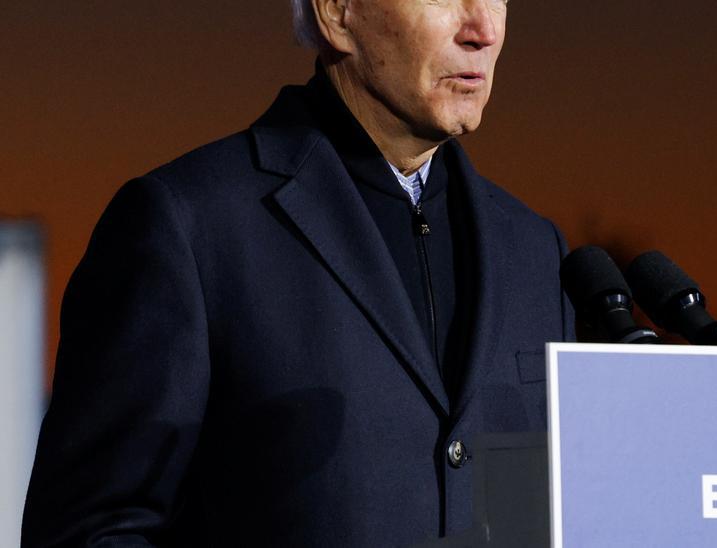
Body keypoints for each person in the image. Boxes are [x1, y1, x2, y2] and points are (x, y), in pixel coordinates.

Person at [22, 0, 574, 545]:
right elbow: (90, 530)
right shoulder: (188, 225)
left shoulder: (536, 251)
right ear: (336, 13)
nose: (482, 29)